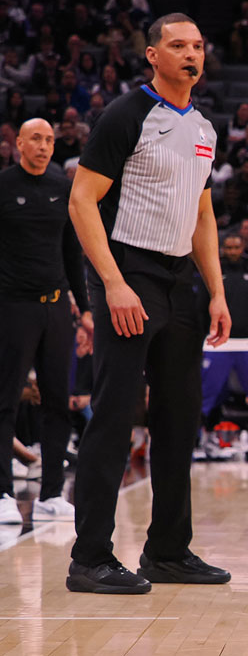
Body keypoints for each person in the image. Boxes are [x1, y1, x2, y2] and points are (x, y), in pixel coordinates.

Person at [66, 14, 232, 594]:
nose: (191, 54)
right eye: (179, 45)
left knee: (179, 418)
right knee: (115, 415)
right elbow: (82, 202)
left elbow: (203, 213)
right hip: (127, 270)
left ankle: (167, 552)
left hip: (179, 279)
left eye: (198, 46)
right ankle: (89, 558)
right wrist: (111, 283)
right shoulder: (125, 115)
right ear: (153, 56)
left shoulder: (207, 126)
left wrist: (216, 290)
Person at [0, 118, 91, 524]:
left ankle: (51, 494)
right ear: (18, 143)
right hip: (12, 306)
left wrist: (85, 309)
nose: (44, 145)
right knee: (5, 402)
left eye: (50, 140)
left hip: (56, 308)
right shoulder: (4, 185)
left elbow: (73, 253)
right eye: (35, 138)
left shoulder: (63, 187)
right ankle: (3, 493)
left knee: (58, 402)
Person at [198, 233, 248, 453]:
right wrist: (199, 341)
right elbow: (200, 310)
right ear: (222, 249)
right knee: (206, 395)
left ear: (243, 248)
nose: (232, 251)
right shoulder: (212, 274)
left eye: (236, 247)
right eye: (228, 247)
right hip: (216, 342)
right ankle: (200, 444)